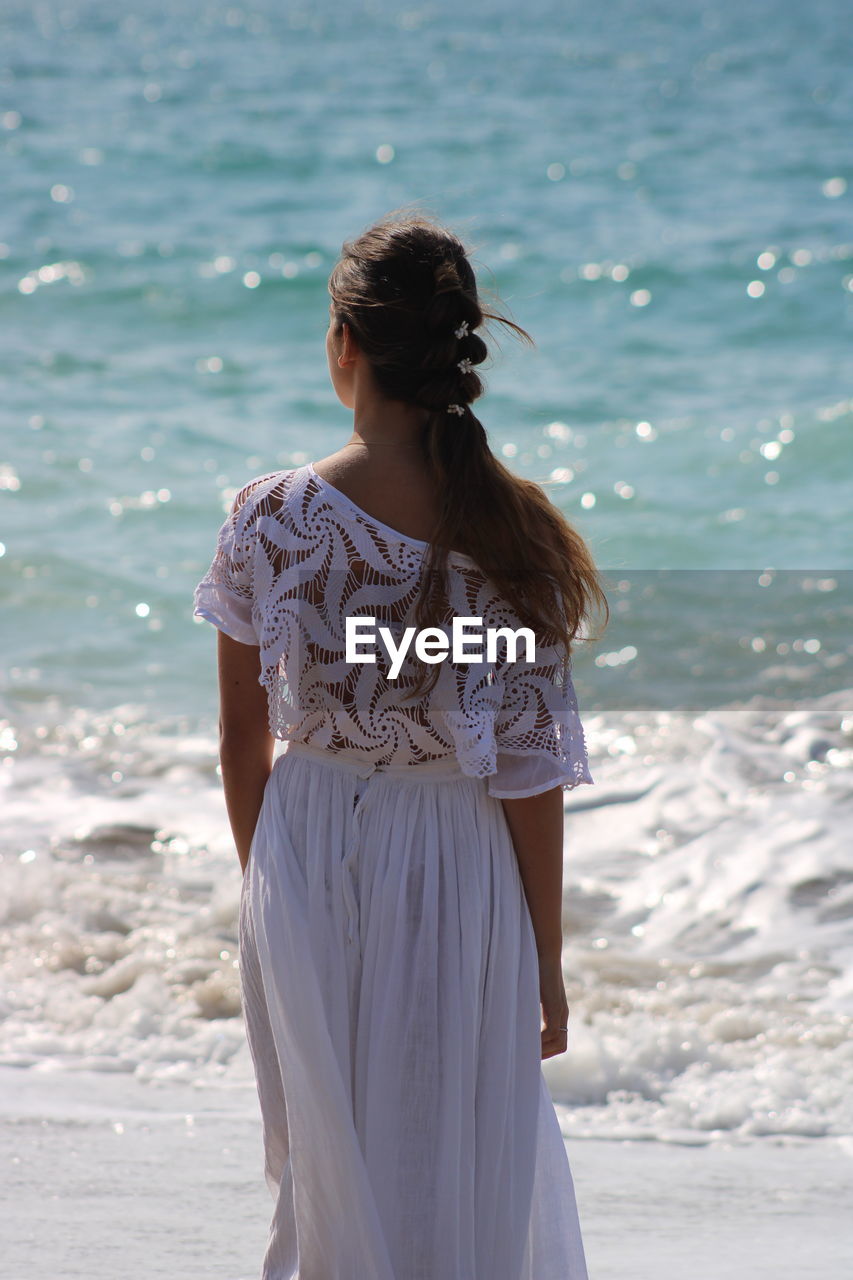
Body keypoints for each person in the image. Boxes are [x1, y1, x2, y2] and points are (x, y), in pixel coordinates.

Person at [193, 210, 607, 1280]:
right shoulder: (516, 534)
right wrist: (544, 957)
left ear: (345, 345)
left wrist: (265, 883)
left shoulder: (270, 517)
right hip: (457, 855)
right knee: (455, 1148)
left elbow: (242, 736)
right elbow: (526, 767)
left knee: (324, 1168)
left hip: (307, 833)